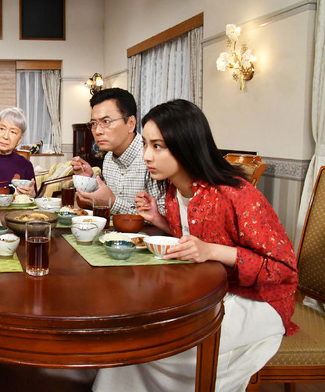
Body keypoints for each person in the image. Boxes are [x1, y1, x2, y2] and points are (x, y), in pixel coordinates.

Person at [93, 99, 298, 392]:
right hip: (209, 293)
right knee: (135, 335)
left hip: (255, 302)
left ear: (186, 145)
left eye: (158, 146)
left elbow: (282, 269)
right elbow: (193, 236)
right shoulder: (174, 191)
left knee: (154, 346)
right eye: (146, 145)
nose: (147, 156)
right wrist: (159, 220)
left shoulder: (236, 195)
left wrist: (212, 251)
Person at [71, 88, 165, 214]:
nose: (97, 131)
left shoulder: (151, 157)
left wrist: (114, 203)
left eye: (106, 121)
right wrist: (90, 179)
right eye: (94, 123)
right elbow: (105, 196)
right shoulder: (109, 158)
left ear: (131, 123)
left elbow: (164, 215)